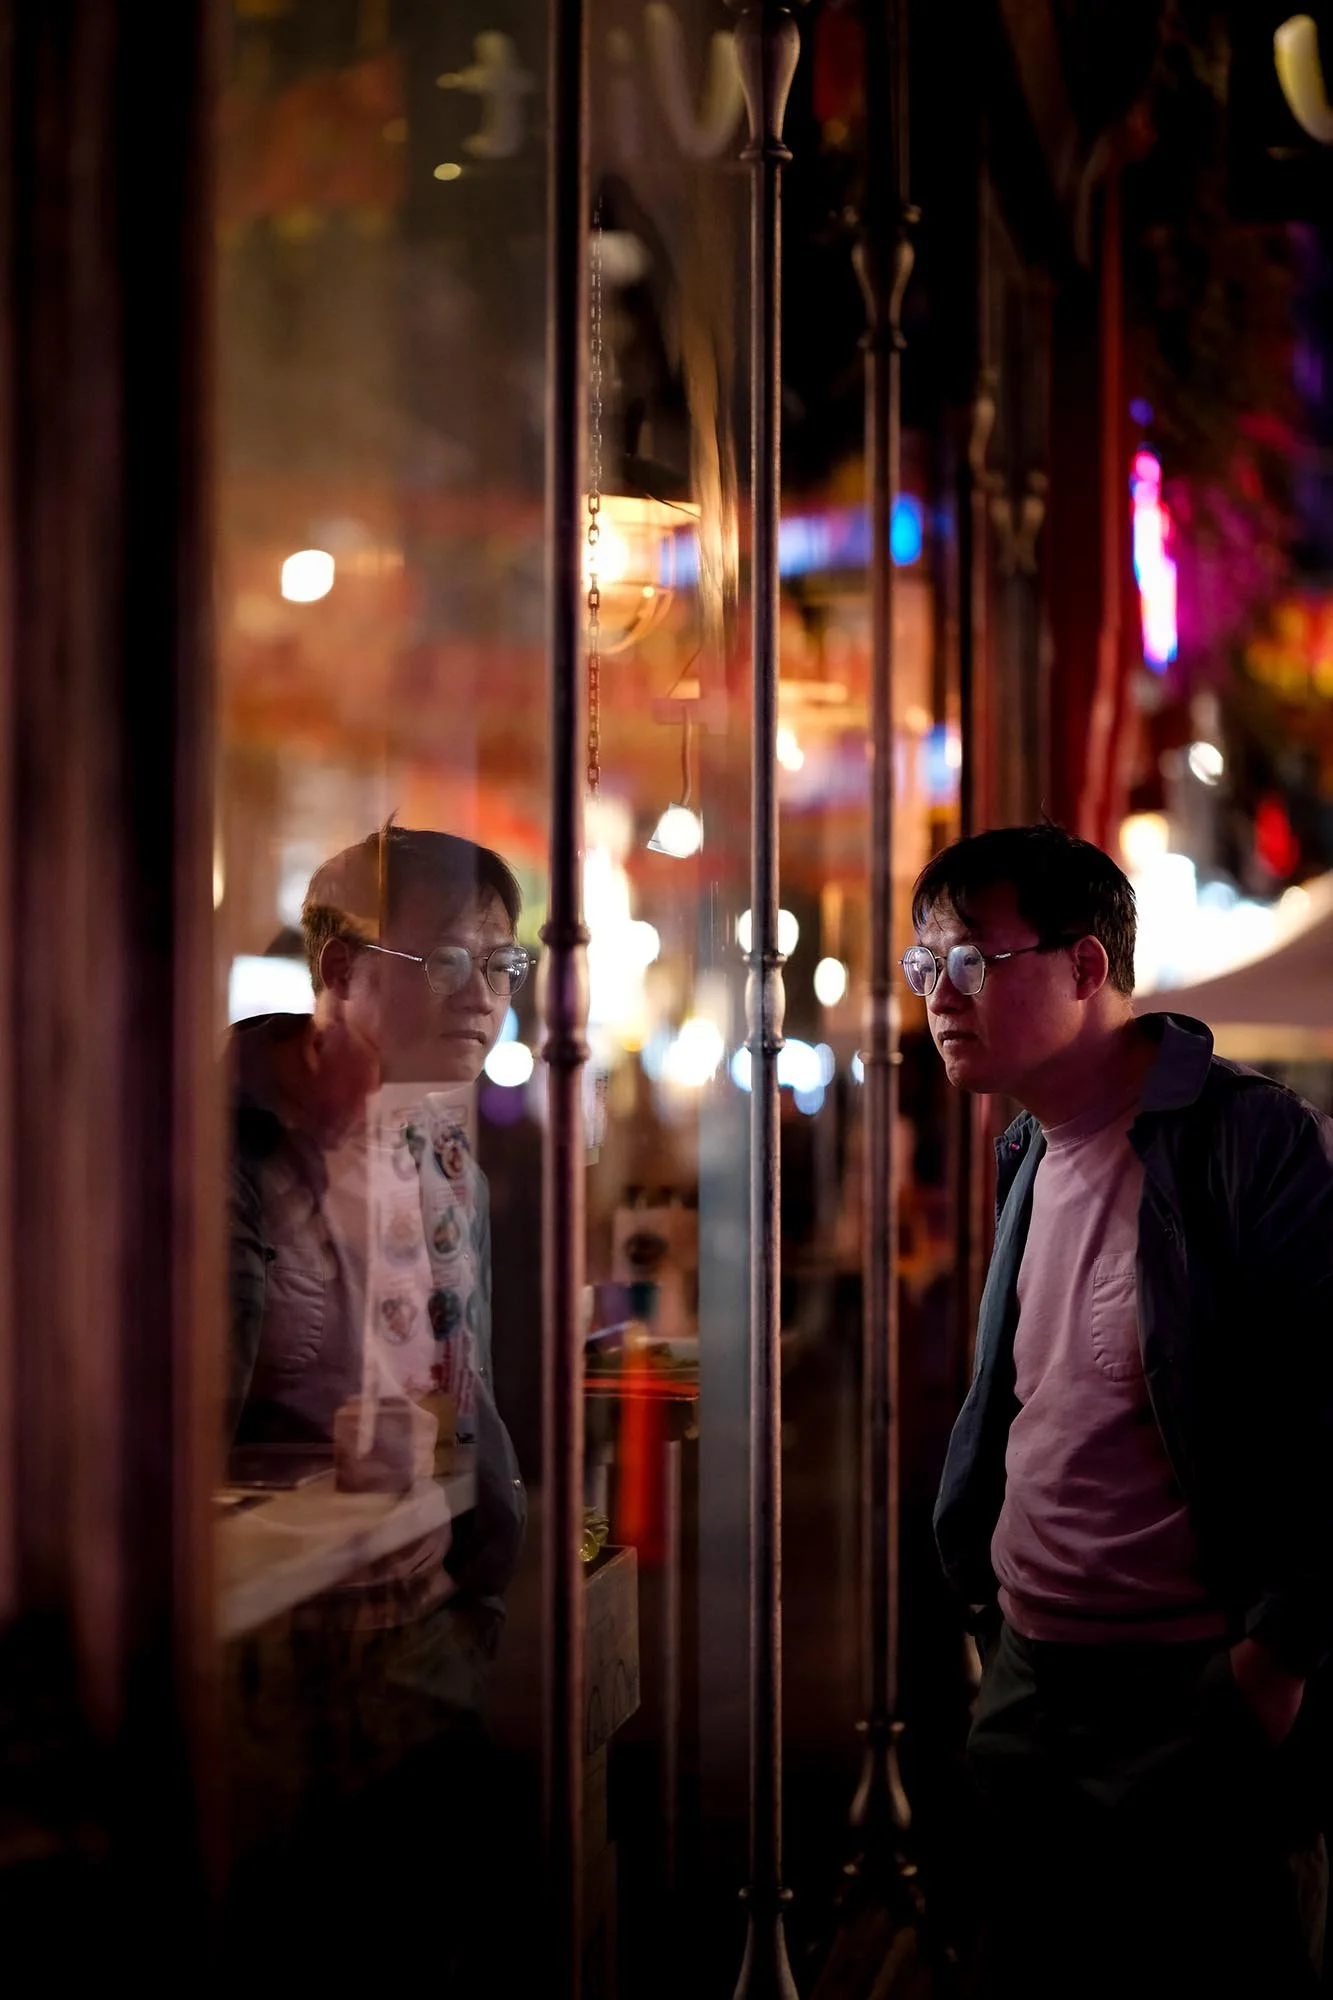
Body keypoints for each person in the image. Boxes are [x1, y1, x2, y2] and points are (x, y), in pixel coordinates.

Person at [911, 823, 1333, 1998]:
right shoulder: (1028, 1150)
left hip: (1195, 1690)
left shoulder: (1249, 1143)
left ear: (1087, 967)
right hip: (1030, 1674)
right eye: (922, 966)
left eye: (970, 961)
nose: (939, 997)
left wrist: (1274, 1656)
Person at [223, 823, 533, 1979]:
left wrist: (475, 1600)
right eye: (448, 959)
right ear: (339, 967)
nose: (484, 996)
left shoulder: (444, 1149)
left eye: (504, 965)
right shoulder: (230, 1143)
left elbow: (465, 1385)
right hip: (267, 1648)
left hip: (421, 1629)